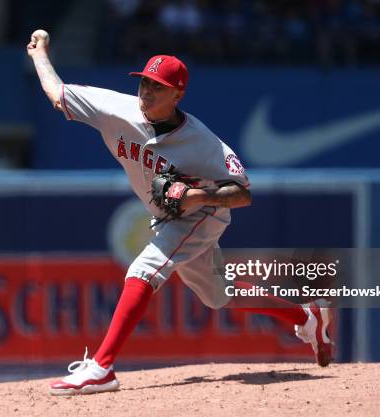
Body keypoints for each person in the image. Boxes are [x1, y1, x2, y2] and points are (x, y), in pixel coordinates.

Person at [26, 29, 333, 397]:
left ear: (178, 93)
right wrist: (39, 55)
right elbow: (57, 94)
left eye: (157, 86)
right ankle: (306, 316)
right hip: (167, 216)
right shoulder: (115, 109)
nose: (146, 91)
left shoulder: (203, 143)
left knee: (144, 268)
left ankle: (102, 367)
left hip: (201, 215)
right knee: (218, 295)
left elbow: (243, 194)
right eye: (143, 82)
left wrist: (195, 196)